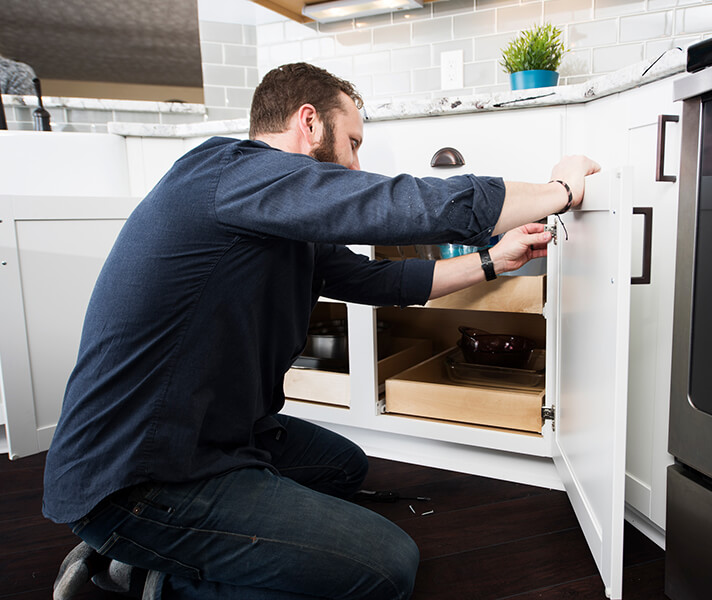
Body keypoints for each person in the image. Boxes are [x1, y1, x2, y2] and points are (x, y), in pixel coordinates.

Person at [43, 62, 601, 600]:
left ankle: (199, 543)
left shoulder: (274, 213)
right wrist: (559, 189)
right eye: (353, 142)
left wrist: (492, 261)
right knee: (386, 570)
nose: (356, 165)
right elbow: (396, 202)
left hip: (217, 437)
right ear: (308, 123)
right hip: (138, 474)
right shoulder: (231, 171)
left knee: (343, 466)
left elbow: (376, 280)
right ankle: (144, 574)